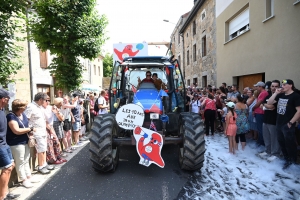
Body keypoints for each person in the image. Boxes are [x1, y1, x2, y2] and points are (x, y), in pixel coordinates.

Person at [7, 99, 40, 188]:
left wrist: (30, 131)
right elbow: (16, 130)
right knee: (20, 161)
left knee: (26, 159)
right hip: (16, 142)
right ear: (20, 107)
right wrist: (31, 129)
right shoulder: (11, 116)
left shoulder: (23, 114)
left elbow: (26, 125)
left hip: (25, 140)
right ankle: (23, 179)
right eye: (25, 106)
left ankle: (29, 177)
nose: (26, 108)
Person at [267, 79, 300, 169]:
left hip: (288, 124)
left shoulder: (295, 96)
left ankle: (292, 162)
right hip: (279, 123)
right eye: (282, 84)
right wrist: (275, 93)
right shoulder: (281, 95)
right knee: (282, 143)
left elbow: (299, 111)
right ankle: (286, 160)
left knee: (289, 144)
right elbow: (269, 103)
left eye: (285, 85)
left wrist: (291, 122)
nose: (282, 86)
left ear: (290, 85)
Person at [24, 92, 54, 174]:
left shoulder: (39, 107)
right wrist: (30, 131)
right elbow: (26, 119)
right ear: (40, 99)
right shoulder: (31, 107)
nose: (46, 102)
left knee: (44, 148)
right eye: (45, 100)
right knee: (41, 149)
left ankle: (44, 164)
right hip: (36, 132)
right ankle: (41, 166)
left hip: (42, 130)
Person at [0, 89, 20, 200]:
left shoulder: (2, 109)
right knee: (7, 168)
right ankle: (2, 196)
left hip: (5, 143)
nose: (8, 101)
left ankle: (5, 192)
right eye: (7, 99)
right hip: (0, 145)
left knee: (11, 165)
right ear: (3, 99)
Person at [259, 80, 281, 162]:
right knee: (266, 137)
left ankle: (275, 154)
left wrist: (265, 105)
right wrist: (266, 105)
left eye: (276, 86)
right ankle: (268, 151)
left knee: (274, 138)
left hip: (274, 120)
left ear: (279, 87)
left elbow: (272, 107)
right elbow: (261, 105)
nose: (274, 88)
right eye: (273, 86)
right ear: (270, 87)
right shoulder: (268, 95)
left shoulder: (279, 96)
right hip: (266, 119)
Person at [252, 81, 269, 146]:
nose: (256, 88)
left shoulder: (263, 93)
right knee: (260, 128)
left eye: (257, 86)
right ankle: (260, 141)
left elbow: (258, 103)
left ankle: (262, 143)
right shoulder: (262, 93)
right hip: (259, 112)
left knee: (260, 128)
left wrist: (253, 108)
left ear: (260, 87)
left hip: (260, 112)